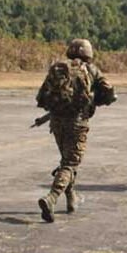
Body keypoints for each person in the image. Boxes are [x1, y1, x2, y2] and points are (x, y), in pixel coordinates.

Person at [36, 39, 116, 223]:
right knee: (71, 164)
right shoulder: (91, 69)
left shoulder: (57, 68)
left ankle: (71, 199)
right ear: (88, 53)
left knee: (66, 160)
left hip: (56, 122)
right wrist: (97, 100)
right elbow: (109, 92)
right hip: (77, 122)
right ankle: (52, 197)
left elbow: (41, 97)